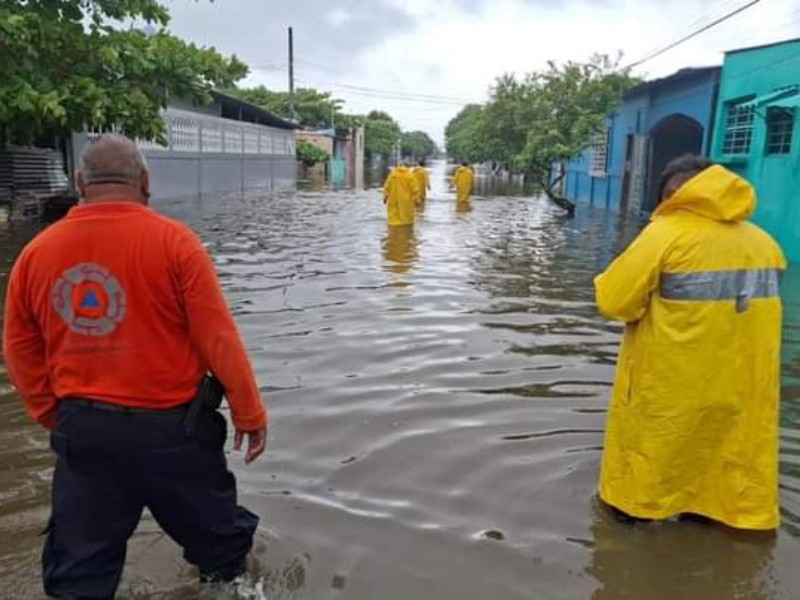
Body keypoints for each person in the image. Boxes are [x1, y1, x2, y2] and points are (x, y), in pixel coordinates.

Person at [2, 134, 268, 598]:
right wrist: (249, 412)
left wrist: (56, 417)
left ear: (80, 181)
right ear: (146, 182)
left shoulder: (35, 255)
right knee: (222, 556)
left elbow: (19, 348)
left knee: (78, 575)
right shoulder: (176, 243)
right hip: (177, 437)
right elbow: (217, 339)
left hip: (86, 437)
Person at [594, 155, 785, 530]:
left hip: (671, 386)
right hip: (741, 388)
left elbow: (614, 302)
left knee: (643, 489)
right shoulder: (765, 244)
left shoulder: (665, 234)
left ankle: (636, 526)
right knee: (721, 475)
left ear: (672, 191)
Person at [383, 157, 420, 226]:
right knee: (406, 225)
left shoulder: (392, 174)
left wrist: (385, 198)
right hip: (406, 204)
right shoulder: (410, 176)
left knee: (393, 224)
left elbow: (386, 187)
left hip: (393, 202)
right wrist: (417, 202)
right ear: (408, 167)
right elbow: (415, 191)